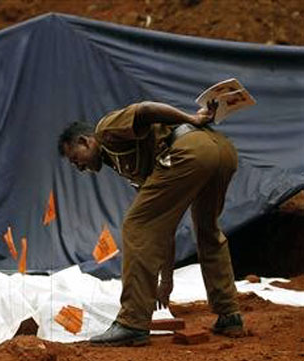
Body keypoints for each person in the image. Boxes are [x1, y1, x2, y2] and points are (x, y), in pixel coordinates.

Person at [58, 101, 243, 346]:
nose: (78, 167)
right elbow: (161, 229)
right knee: (207, 230)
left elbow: (145, 110)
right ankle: (229, 314)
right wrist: (165, 282)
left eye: (75, 159)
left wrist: (192, 118)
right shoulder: (131, 162)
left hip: (190, 150)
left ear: (85, 141)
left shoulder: (105, 130)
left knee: (135, 226)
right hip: (221, 151)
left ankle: (132, 323)